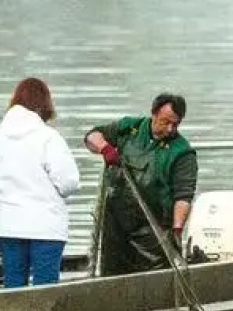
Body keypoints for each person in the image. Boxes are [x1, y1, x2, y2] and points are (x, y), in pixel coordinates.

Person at [84, 92, 197, 276]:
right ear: (154, 114)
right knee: (111, 277)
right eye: (165, 122)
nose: (170, 129)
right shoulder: (130, 128)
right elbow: (91, 136)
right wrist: (105, 148)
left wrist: (176, 231)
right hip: (117, 225)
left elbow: (183, 197)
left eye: (175, 124)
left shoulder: (182, 152)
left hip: (153, 231)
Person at [0, 77, 81, 288]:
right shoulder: (49, 137)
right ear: (44, 103)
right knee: (45, 287)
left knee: (13, 284)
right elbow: (68, 182)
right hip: (45, 225)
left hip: (7, 223)